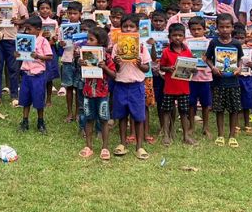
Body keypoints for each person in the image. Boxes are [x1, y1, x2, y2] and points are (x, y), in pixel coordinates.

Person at [112, 14, 151, 159]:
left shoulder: (141, 47)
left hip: (136, 86)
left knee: (139, 116)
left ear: (137, 29)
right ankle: (122, 143)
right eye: (125, 26)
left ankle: (139, 146)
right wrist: (116, 61)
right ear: (120, 29)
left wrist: (140, 64)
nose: (128, 29)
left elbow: (147, 68)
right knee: (122, 116)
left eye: (131, 26)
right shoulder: (117, 46)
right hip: (121, 84)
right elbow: (115, 69)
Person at [205, 13, 243, 148]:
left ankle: (232, 136)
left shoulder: (236, 43)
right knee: (219, 109)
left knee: (234, 110)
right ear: (217, 28)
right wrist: (213, 67)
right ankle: (220, 134)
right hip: (218, 82)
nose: (225, 30)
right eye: (222, 27)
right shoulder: (214, 42)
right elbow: (207, 58)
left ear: (232, 27)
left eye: (228, 27)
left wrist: (239, 69)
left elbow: (240, 59)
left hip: (233, 82)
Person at [77, 27, 116, 159]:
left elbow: (114, 75)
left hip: (102, 94)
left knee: (104, 119)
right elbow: (83, 71)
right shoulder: (85, 54)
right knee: (89, 119)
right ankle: (89, 146)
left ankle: (105, 147)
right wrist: (79, 63)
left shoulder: (107, 57)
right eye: (88, 39)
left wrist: (104, 67)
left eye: (91, 39)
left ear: (101, 42)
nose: (87, 41)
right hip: (88, 92)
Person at [0, 0, 28, 107]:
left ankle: (14, 96)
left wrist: (18, 22)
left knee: (13, 68)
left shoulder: (18, 3)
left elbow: (25, 20)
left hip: (12, 39)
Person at [158, 23, 195, 145]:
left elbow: (191, 67)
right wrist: (168, 69)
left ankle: (186, 135)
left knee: (184, 112)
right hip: (170, 87)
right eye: (174, 35)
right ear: (170, 37)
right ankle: (166, 135)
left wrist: (193, 70)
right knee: (167, 111)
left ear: (184, 36)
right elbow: (162, 67)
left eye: (180, 35)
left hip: (184, 87)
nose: (177, 38)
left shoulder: (187, 51)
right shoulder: (166, 52)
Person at [17, 16, 54, 134]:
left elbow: (50, 56)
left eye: (29, 29)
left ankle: (40, 122)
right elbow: (19, 55)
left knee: (39, 99)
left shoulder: (43, 41)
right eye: (26, 29)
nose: (27, 31)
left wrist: (38, 56)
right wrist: (17, 54)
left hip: (38, 75)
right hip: (26, 74)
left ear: (38, 29)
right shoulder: (24, 39)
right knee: (25, 99)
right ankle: (25, 121)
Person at [187, 17, 213, 139]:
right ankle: (191, 127)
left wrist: (206, 60)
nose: (196, 32)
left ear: (204, 29)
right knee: (191, 104)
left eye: (199, 29)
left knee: (205, 104)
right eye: (193, 29)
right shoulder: (187, 43)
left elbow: (213, 58)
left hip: (205, 77)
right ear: (189, 30)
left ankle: (206, 127)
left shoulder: (209, 43)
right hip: (191, 78)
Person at [59, 1, 84, 123]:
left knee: (79, 88)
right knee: (68, 86)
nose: (72, 16)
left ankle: (78, 112)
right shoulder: (62, 27)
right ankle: (69, 113)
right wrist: (61, 43)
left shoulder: (84, 28)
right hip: (67, 58)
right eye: (70, 13)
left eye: (75, 13)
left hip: (80, 61)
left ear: (81, 14)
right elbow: (60, 43)